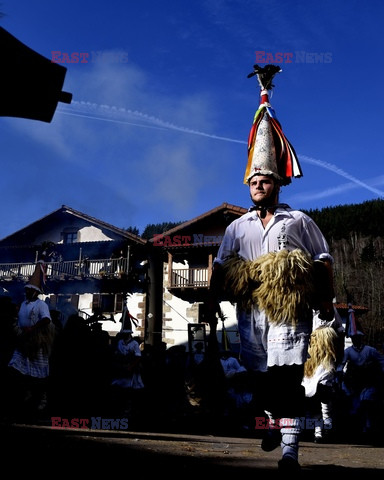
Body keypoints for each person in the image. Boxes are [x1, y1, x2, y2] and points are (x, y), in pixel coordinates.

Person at [207, 65, 335, 472]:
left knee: (287, 377)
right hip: (252, 314)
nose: (258, 184)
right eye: (253, 180)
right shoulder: (236, 227)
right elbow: (222, 266)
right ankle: (270, 424)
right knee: (261, 378)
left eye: (264, 179)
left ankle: (291, 449)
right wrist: (211, 302)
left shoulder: (298, 221)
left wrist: (325, 301)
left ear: (277, 183)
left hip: (289, 312)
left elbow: (323, 258)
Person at [7, 261, 55, 417]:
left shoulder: (41, 305)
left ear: (35, 292)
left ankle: (43, 398)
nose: (26, 292)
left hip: (37, 342)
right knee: (15, 367)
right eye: (26, 290)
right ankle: (26, 393)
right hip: (23, 342)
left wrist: (33, 329)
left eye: (29, 290)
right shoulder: (23, 304)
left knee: (39, 374)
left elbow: (46, 320)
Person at [338, 332, 384, 439]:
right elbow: (341, 365)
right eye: (354, 338)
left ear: (361, 338)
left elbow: (382, 361)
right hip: (353, 382)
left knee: (367, 403)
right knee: (355, 406)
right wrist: (340, 374)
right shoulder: (348, 351)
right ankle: (356, 429)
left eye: (358, 338)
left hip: (368, 380)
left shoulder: (370, 350)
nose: (356, 340)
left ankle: (368, 428)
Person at [302, 326, 339, 443]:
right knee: (314, 407)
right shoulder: (310, 352)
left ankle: (327, 426)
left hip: (323, 379)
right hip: (311, 378)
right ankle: (318, 432)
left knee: (324, 399)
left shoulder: (329, 357)